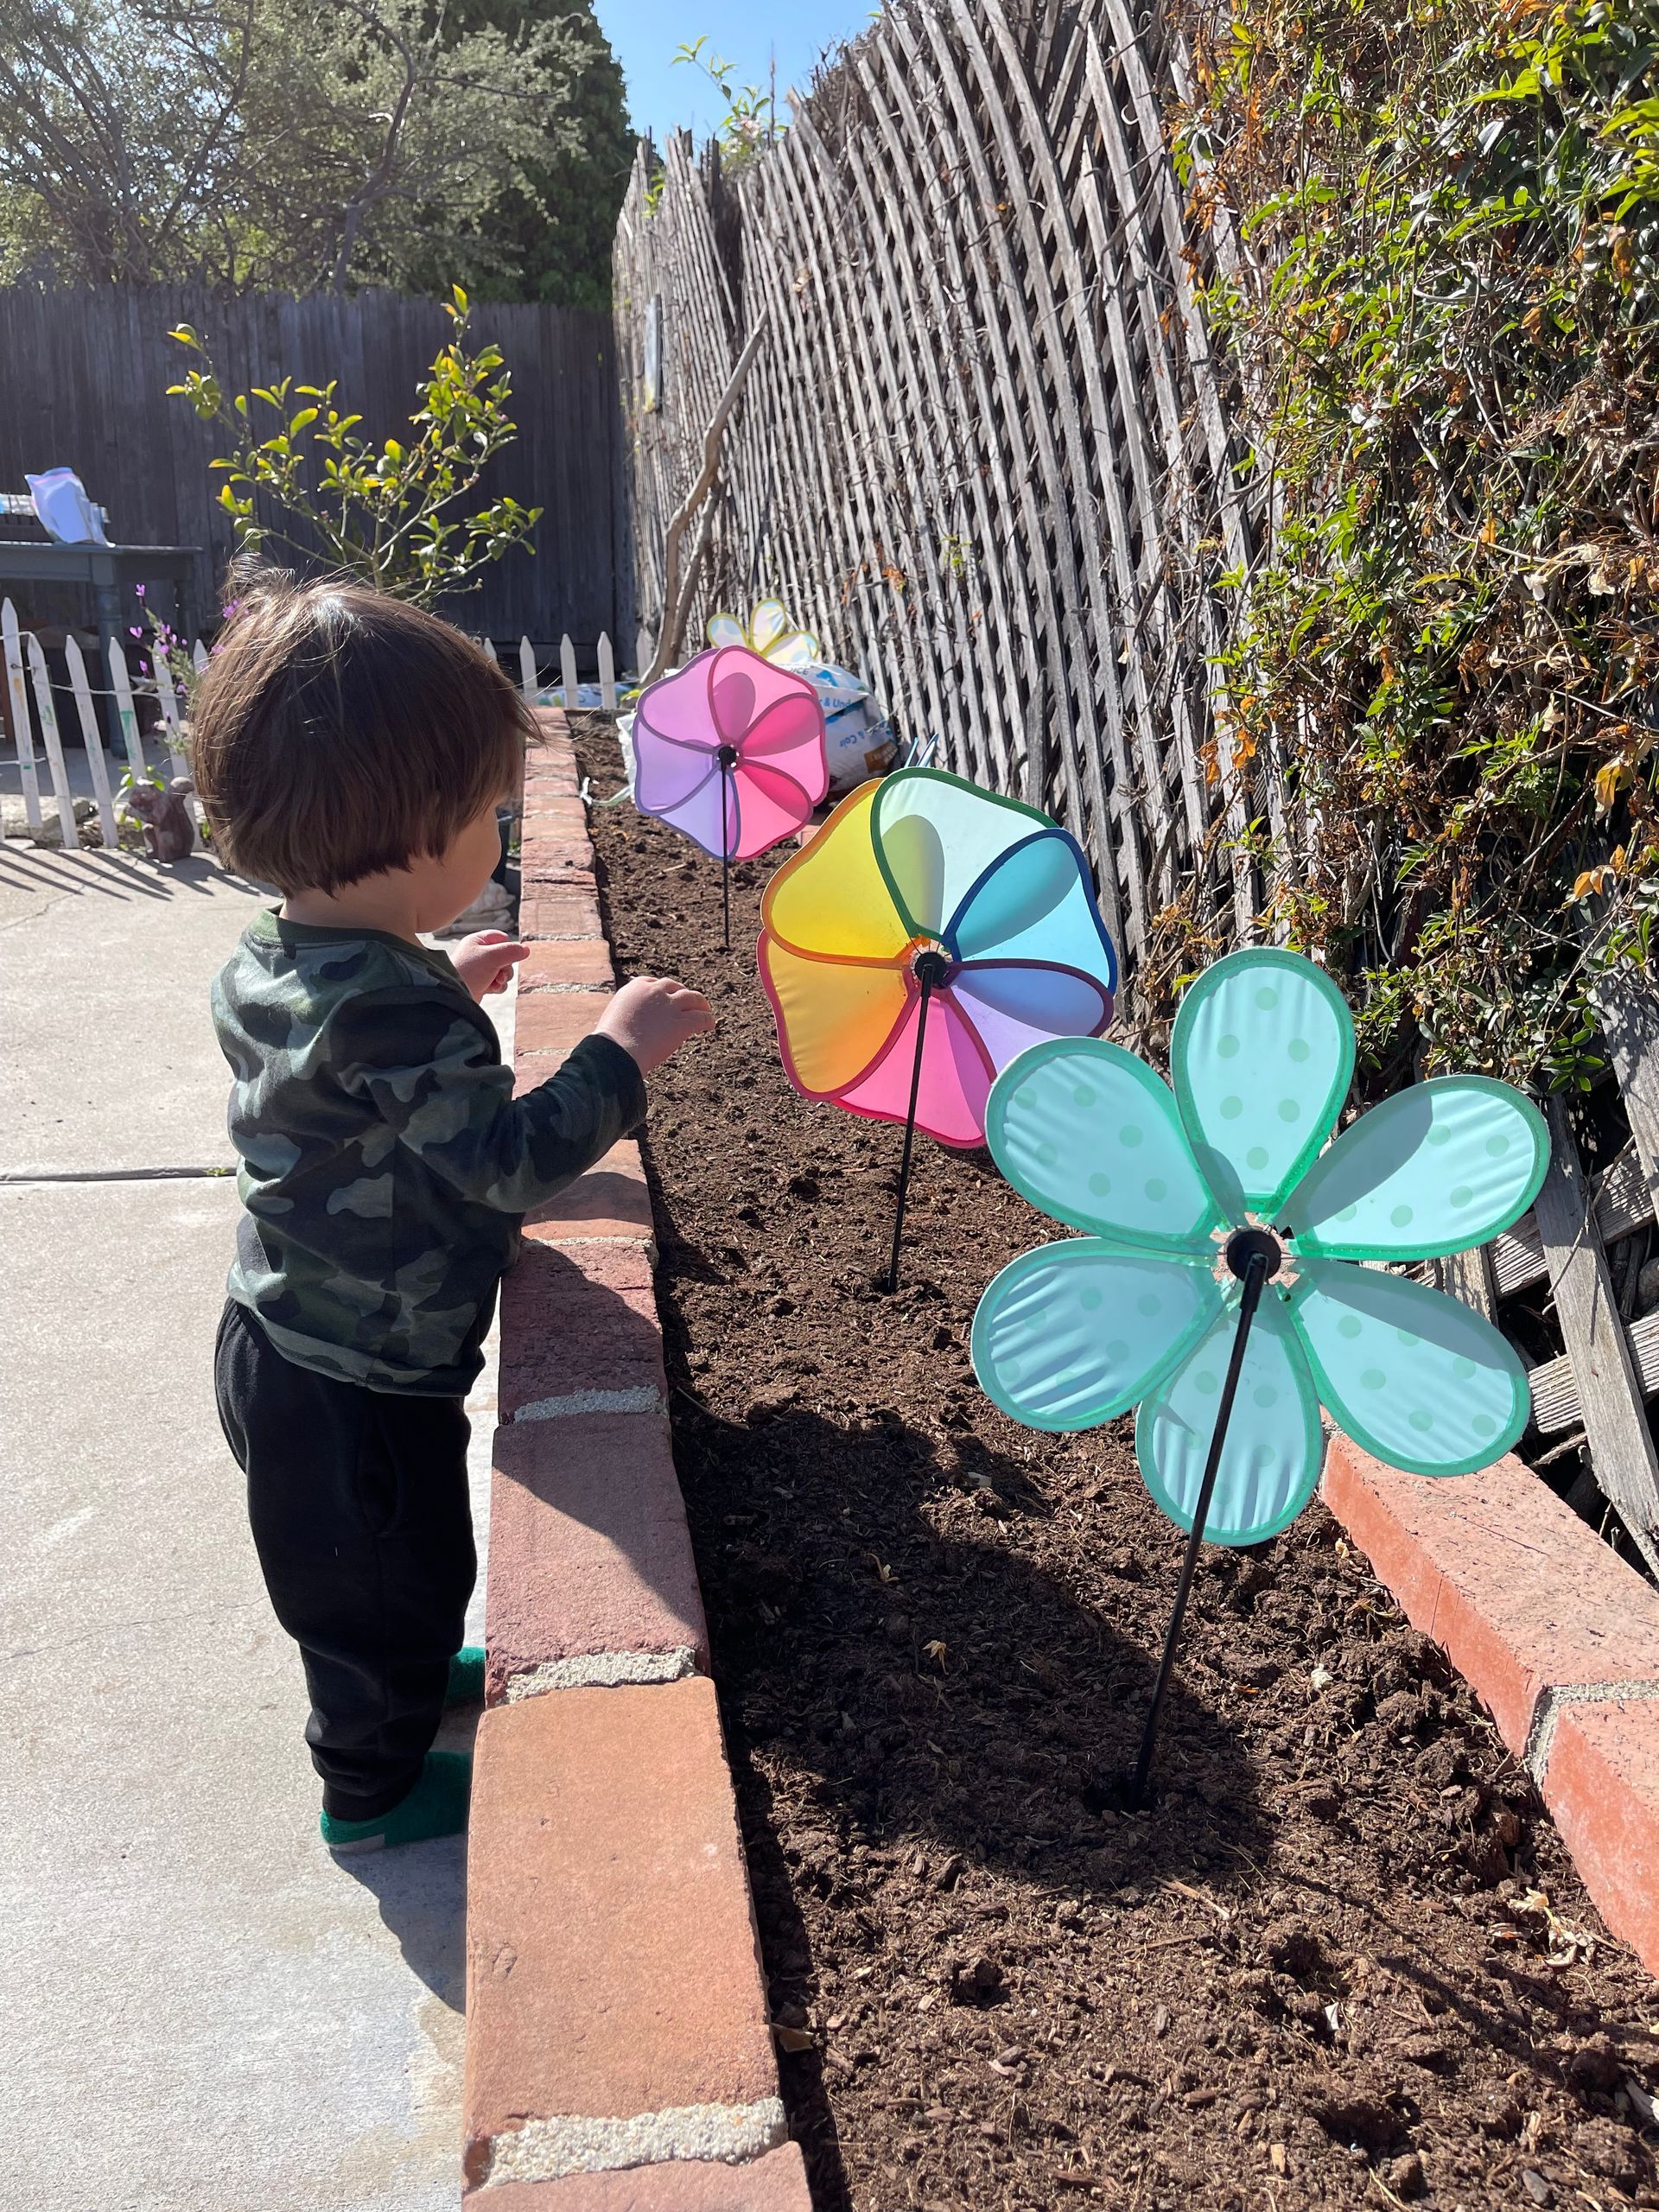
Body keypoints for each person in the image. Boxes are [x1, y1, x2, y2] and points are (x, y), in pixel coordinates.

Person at [194, 575, 713, 1853]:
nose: (497, 835)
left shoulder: (275, 955)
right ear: (419, 840)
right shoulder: (398, 1013)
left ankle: (415, 1675)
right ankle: (367, 1793)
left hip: (281, 1341)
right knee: (379, 1588)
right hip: (359, 1383)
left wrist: (437, 970)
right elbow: (507, 1159)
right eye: (486, 816)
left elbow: (344, 1057)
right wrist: (614, 1053)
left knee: (392, 1578)